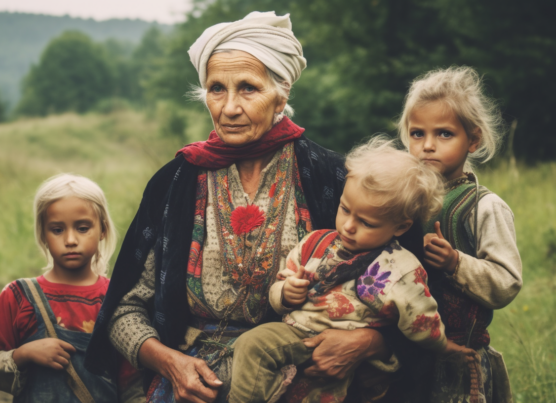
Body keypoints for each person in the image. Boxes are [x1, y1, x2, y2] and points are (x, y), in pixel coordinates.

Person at [86, 11, 415, 403]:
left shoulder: (332, 179)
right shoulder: (177, 181)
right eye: (216, 89)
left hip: (304, 379)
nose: (228, 108)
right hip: (191, 386)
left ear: (283, 92)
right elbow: (124, 309)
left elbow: (406, 291)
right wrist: (170, 363)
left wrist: (367, 342)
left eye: (247, 88)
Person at [229, 139, 479, 403]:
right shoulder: (316, 244)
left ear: (401, 227)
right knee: (252, 344)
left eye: (366, 222)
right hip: (298, 334)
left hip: (352, 350)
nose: (348, 226)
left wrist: (442, 346)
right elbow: (281, 284)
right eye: (345, 209)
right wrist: (285, 294)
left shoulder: (401, 270)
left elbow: (421, 320)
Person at [398, 66, 523, 402]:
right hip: (403, 355)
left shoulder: (485, 207)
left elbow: (506, 282)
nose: (427, 146)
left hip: (460, 357)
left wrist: (456, 263)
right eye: (417, 134)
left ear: (474, 139)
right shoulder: (401, 201)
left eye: (444, 134)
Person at [0, 174, 143, 402]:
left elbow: (132, 383)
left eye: (83, 228)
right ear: (43, 234)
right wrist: (23, 354)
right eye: (57, 230)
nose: (71, 240)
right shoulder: (18, 296)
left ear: (102, 230)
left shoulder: (116, 299)